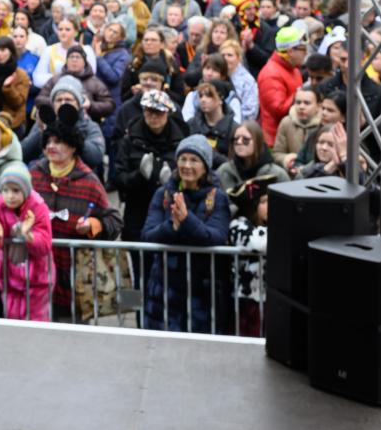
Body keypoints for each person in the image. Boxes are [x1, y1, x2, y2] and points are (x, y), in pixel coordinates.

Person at [29, 104, 121, 321]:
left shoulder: (89, 181)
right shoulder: (34, 176)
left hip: (74, 277)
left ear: (72, 147)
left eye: (58, 141)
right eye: (48, 141)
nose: (51, 146)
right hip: (37, 274)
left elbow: (114, 220)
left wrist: (93, 226)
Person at [141, 135, 231, 334]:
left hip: (201, 291)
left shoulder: (217, 198)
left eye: (194, 160)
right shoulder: (162, 194)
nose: (187, 165)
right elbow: (147, 235)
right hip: (164, 289)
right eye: (183, 159)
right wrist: (172, 226)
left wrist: (186, 219)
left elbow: (216, 237)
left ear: (205, 166)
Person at [0, 162, 54, 321]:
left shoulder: (38, 206)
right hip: (9, 277)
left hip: (38, 279)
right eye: (5, 190)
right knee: (12, 321)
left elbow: (45, 244)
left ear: (25, 191)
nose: (9, 196)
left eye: (15, 190)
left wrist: (28, 236)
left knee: (36, 323)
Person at [111, 89, 187, 246]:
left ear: (167, 112)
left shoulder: (181, 140)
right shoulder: (130, 139)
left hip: (170, 211)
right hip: (137, 210)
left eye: (158, 112)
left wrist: (172, 181)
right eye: (149, 111)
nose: (153, 116)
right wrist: (139, 176)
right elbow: (118, 176)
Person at [227, 175, 274, 337]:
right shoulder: (238, 224)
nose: (270, 205)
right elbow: (259, 243)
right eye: (263, 202)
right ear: (252, 206)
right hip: (247, 301)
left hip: (272, 300)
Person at [216, 122, 290, 214]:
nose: (239, 142)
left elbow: (288, 207)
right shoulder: (223, 171)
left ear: (258, 142)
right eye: (236, 139)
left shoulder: (277, 174)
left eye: (245, 139)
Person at [257, 25, 306, 146]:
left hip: (291, 137)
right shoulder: (271, 74)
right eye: (302, 49)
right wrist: (300, 94)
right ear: (290, 51)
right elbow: (278, 111)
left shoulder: (293, 69)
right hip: (276, 142)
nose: (306, 53)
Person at [272, 85, 322, 175]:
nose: (301, 107)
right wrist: (286, 159)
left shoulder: (322, 126)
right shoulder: (286, 122)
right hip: (291, 175)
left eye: (307, 103)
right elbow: (277, 153)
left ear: (318, 106)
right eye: (298, 102)